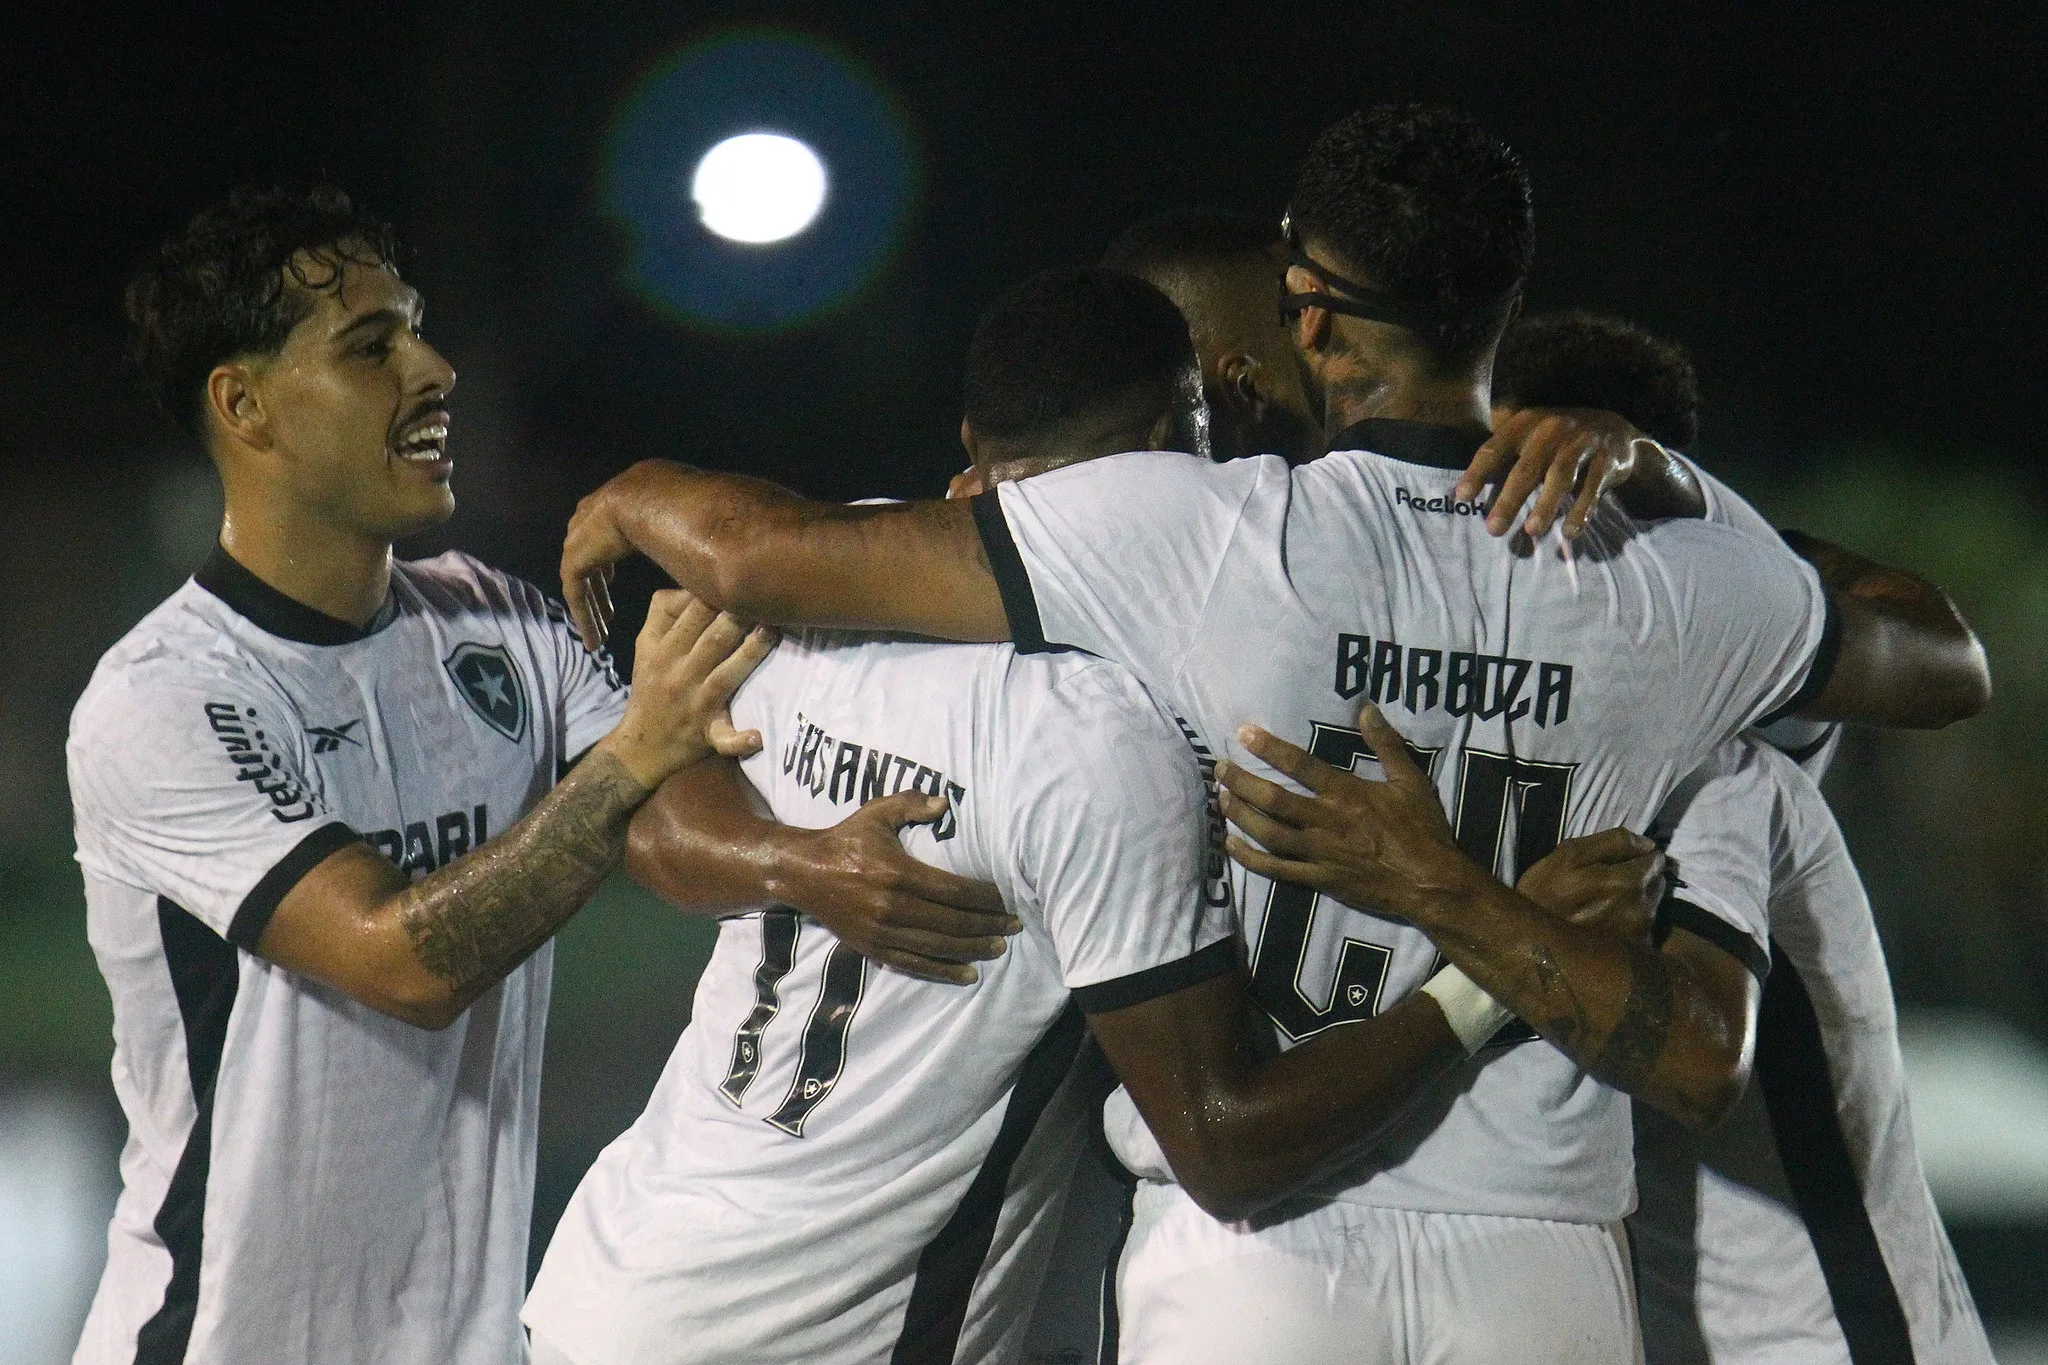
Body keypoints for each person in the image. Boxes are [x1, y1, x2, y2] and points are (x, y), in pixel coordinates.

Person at [552, 105, 1988, 1363]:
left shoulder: (1201, 536)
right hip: (1538, 1247)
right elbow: (1943, 661)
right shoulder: (1669, 575)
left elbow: (757, 551)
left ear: (1307, 312)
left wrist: (628, 491)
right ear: (1503, 306)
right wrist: (1674, 480)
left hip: (1259, 1251)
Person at [522, 268, 1668, 1365]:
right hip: (827, 1329)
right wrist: (1489, 968)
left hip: (612, 1279)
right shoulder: (1098, 731)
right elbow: (1223, 1138)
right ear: (1178, 452)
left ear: (972, 448)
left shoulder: (812, 590)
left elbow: (646, 811)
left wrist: (787, 857)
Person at [68, 185, 771, 1365]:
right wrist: (638, 750)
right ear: (245, 407)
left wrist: (801, 850)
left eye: (418, 327)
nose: (434, 367)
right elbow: (403, 960)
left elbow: (680, 819)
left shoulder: (489, 620)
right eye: (370, 347)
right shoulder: (167, 697)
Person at [1495, 310, 1992, 1362]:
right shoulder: (1510, 710)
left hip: (1826, 1338)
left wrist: (1670, 489)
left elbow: (1946, 660)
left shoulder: (1726, 740)